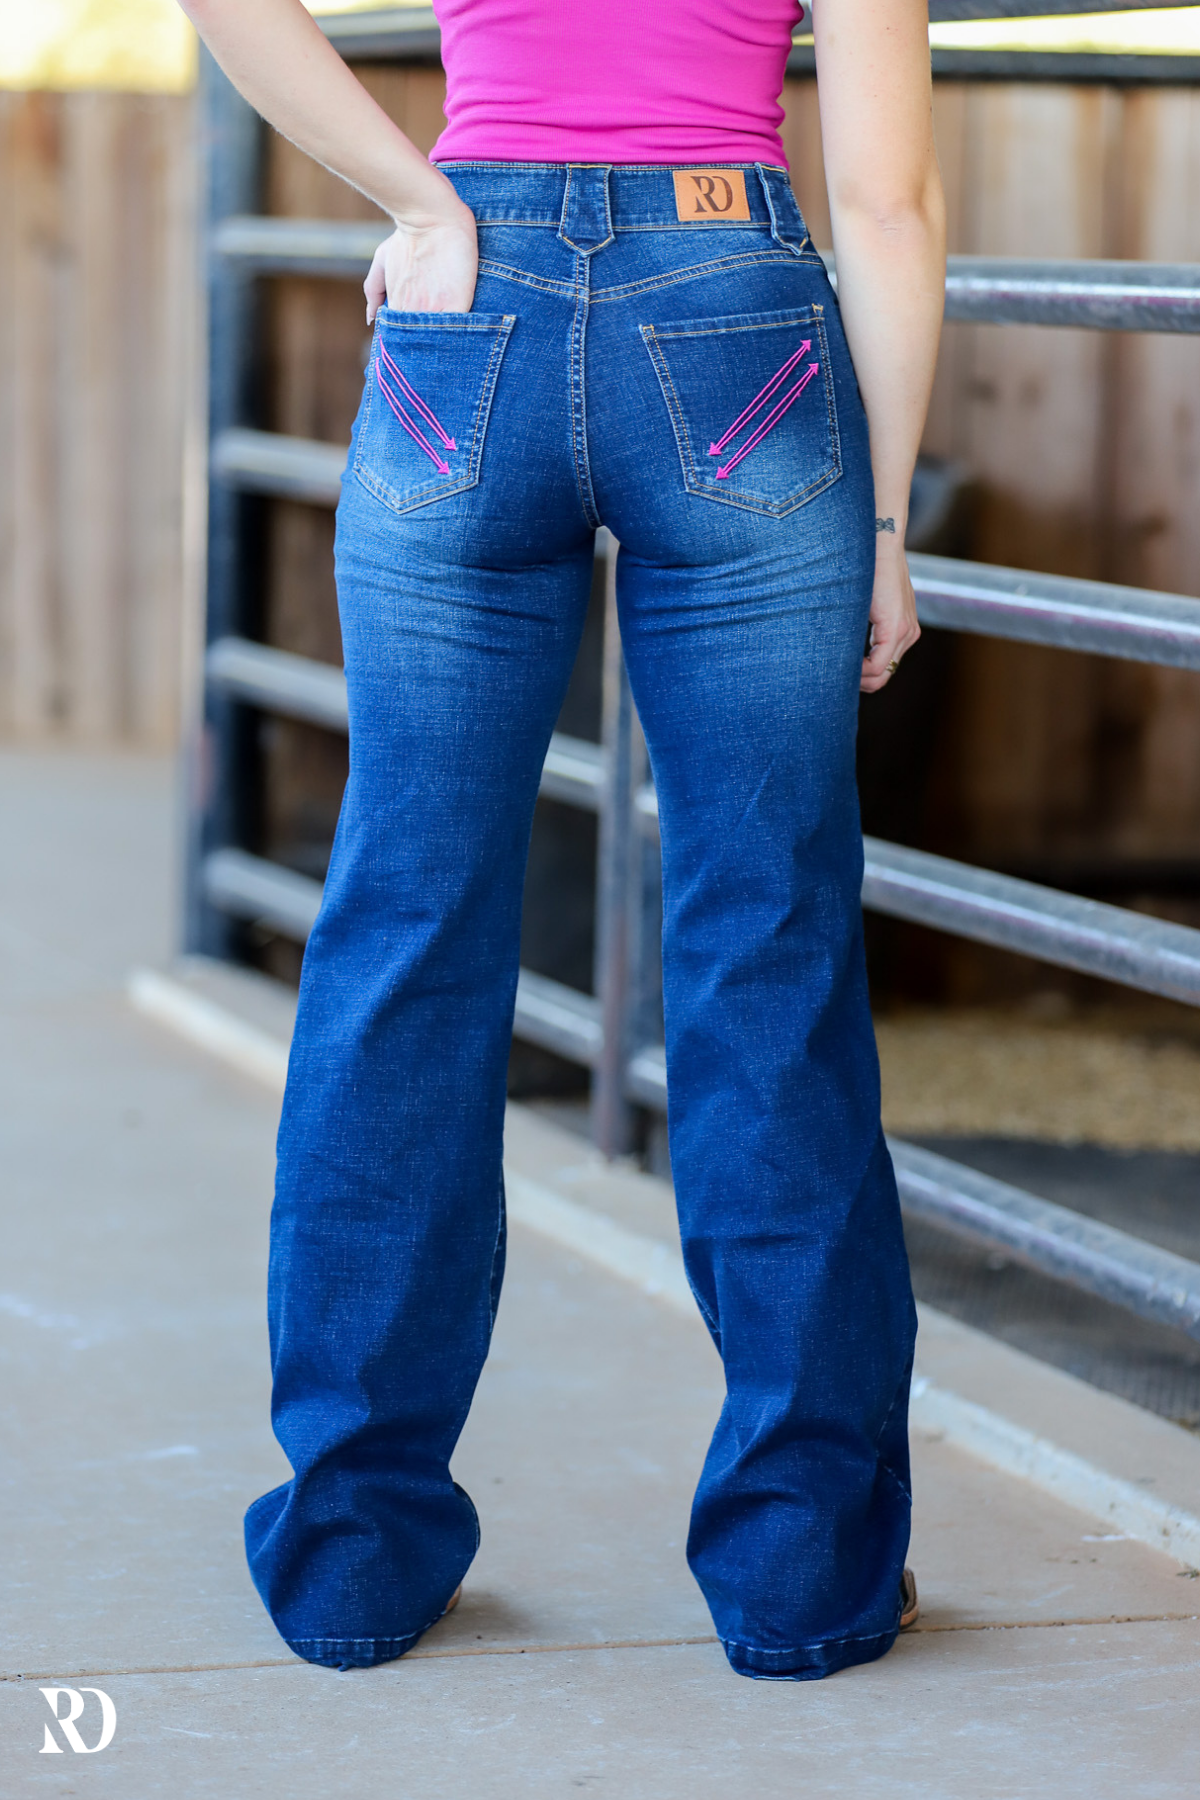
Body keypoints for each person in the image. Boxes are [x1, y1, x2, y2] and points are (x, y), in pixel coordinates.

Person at [180, 0, 945, 1681]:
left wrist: (417, 200)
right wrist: (887, 524)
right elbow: (888, 204)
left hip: (474, 306)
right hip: (736, 311)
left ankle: (355, 1560)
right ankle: (804, 1575)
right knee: (769, 945)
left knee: (405, 934)